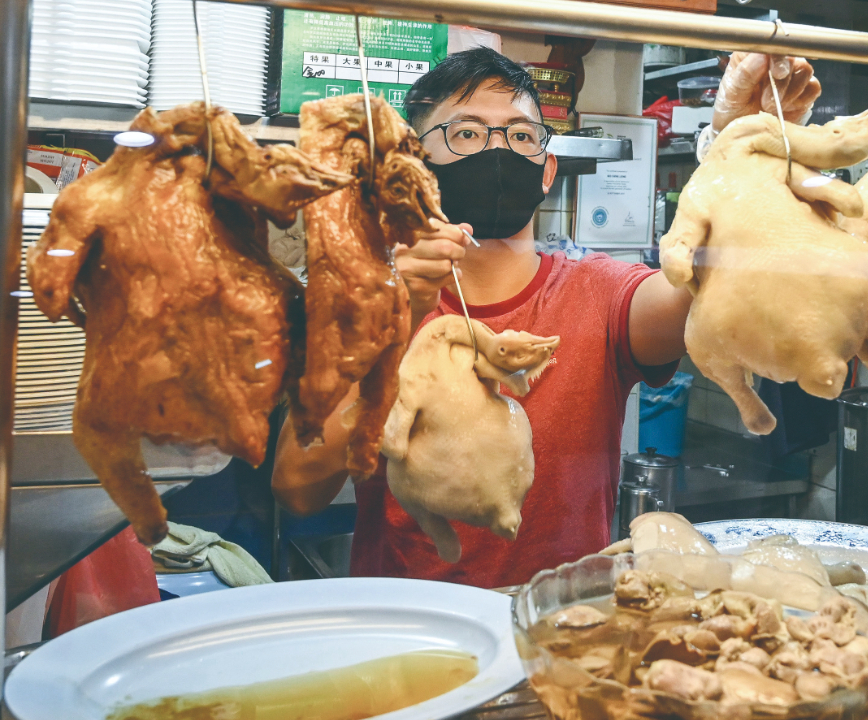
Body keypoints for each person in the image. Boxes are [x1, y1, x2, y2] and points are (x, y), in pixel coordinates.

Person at [271, 47, 821, 588]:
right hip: (406, 637)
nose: (497, 150)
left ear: (545, 170)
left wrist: (739, 160)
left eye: (520, 135)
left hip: (560, 629)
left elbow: (711, 290)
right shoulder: (362, 305)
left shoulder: (601, 294)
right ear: (418, 165)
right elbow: (297, 490)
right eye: (465, 133)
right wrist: (390, 325)